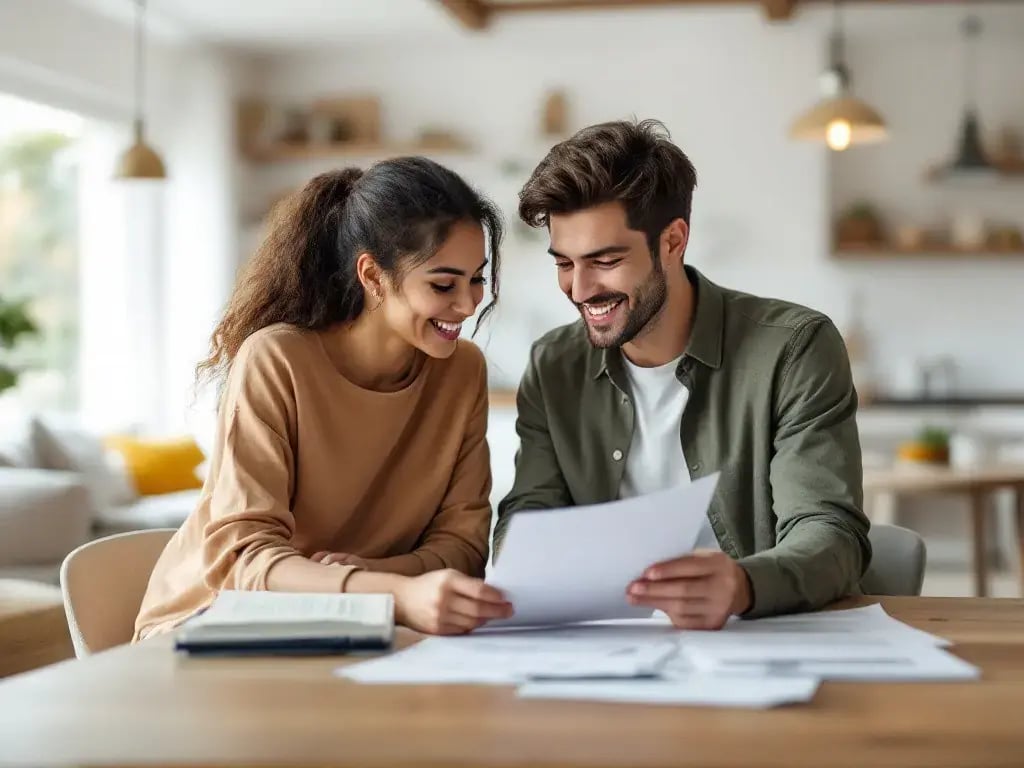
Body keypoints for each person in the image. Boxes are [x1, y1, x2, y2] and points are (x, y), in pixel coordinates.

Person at [494, 119, 871, 629]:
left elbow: (830, 532)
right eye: (564, 263)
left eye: (604, 260)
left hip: (757, 640)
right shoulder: (553, 364)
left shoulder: (794, 348)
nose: (579, 289)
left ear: (673, 241)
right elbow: (528, 519)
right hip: (601, 651)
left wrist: (744, 585)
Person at [134, 157, 514, 641]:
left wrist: (374, 580)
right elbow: (246, 559)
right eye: (443, 284)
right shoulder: (277, 359)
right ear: (373, 277)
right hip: (212, 623)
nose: (467, 304)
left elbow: (463, 545)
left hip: (362, 626)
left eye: (476, 279)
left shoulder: (461, 371)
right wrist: (390, 590)